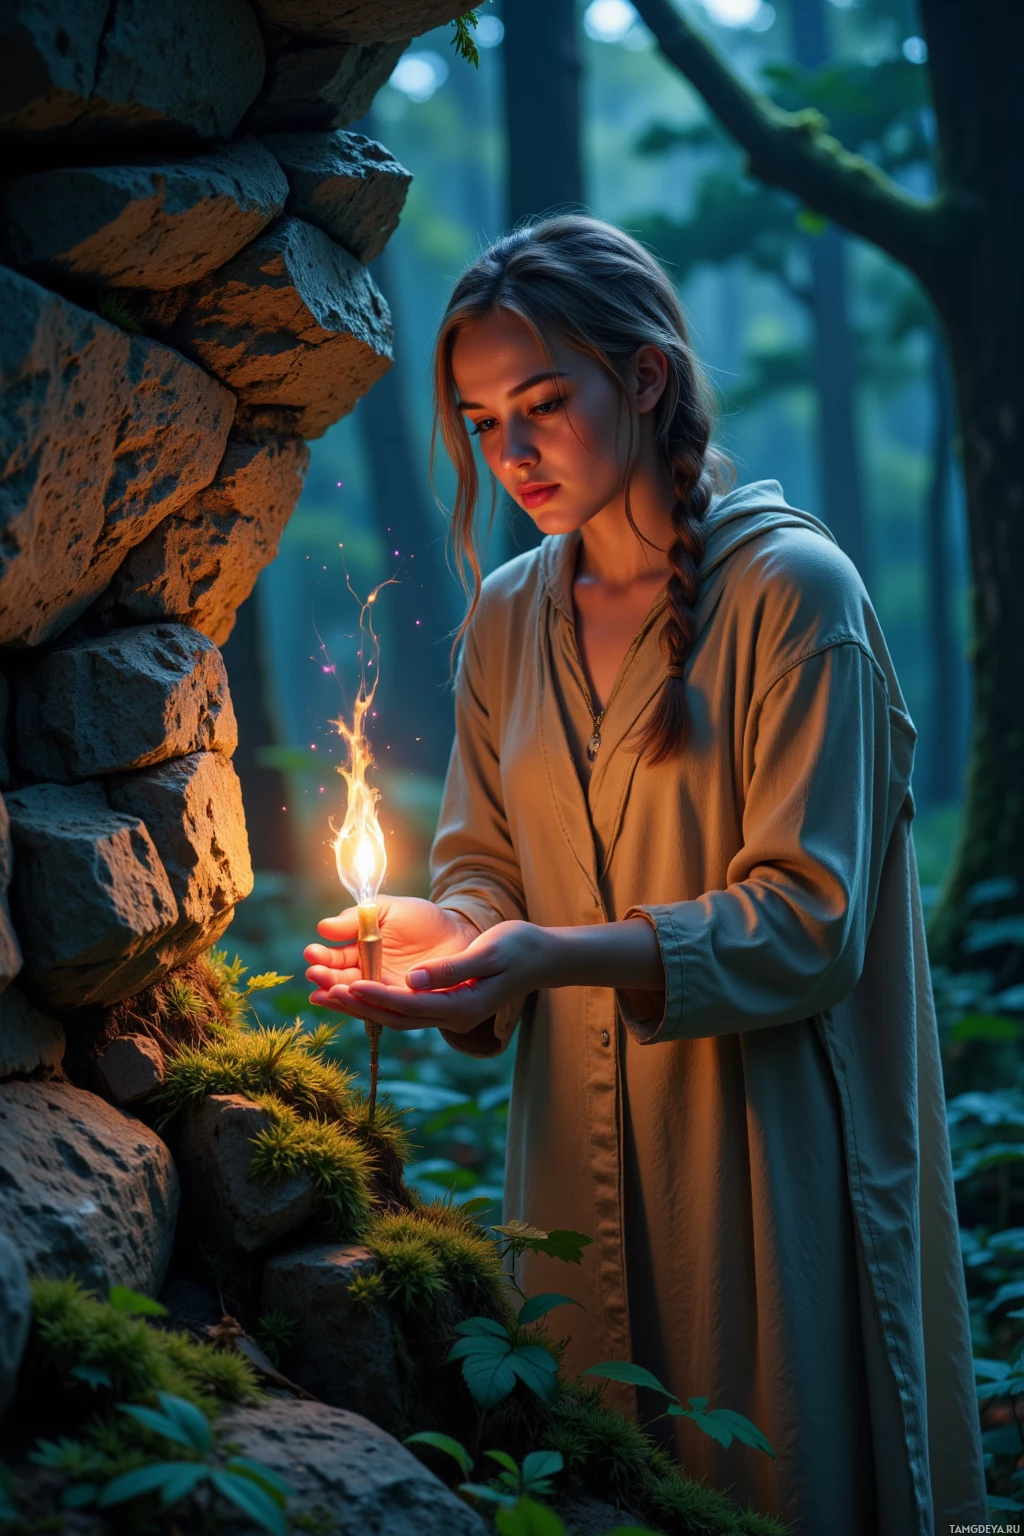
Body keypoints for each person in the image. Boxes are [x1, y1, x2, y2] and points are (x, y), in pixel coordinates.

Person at [304, 214, 986, 1534]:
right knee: (590, 1470)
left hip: (767, 1165)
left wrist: (554, 955)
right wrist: (443, 933)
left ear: (648, 377)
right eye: (482, 421)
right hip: (569, 1158)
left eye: (544, 404)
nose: (512, 452)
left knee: (778, 1467)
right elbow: (484, 870)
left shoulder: (797, 598)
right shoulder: (508, 613)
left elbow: (811, 924)